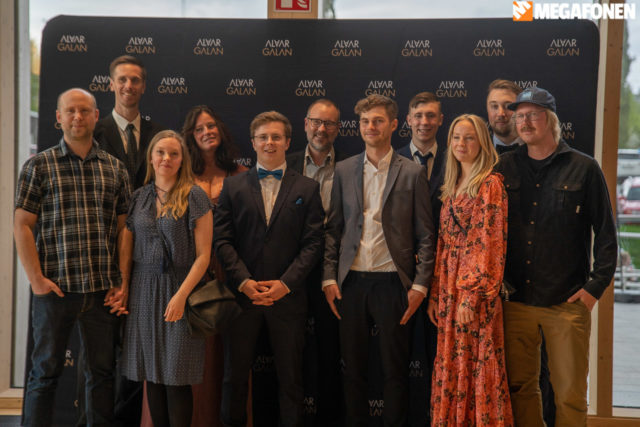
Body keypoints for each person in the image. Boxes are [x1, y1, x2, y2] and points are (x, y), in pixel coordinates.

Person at [495, 87, 617, 426]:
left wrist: (593, 289)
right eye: (520, 116)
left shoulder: (584, 168)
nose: (524, 122)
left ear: (550, 120)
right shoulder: (503, 167)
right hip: (515, 301)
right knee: (520, 390)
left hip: (566, 303)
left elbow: (607, 236)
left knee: (569, 396)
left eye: (533, 115)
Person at [14, 88, 130, 426]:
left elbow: (125, 229)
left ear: (95, 116)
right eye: (70, 111)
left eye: (84, 111)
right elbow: (22, 225)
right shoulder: (38, 166)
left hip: (102, 291)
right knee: (44, 374)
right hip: (55, 290)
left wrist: (122, 281)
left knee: (102, 375)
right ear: (58, 117)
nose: (77, 117)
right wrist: (36, 280)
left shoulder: (115, 169)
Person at [323, 94, 435, 426]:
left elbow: (426, 235)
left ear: (395, 125)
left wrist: (420, 286)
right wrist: (328, 278)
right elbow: (333, 229)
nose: (370, 126)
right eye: (364, 121)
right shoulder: (343, 170)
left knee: (395, 371)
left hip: (393, 284)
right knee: (353, 370)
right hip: (351, 283)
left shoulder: (412, 172)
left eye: (378, 121)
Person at [214, 111, 324, 427]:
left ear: (288, 142)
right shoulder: (233, 186)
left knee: (291, 381)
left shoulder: (307, 188)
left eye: (276, 137)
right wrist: (244, 282)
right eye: (263, 137)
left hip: (288, 300)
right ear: (253, 142)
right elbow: (222, 240)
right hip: (242, 299)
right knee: (234, 379)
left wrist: (285, 284)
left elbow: (313, 244)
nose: (269, 142)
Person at [119, 130, 213, 427]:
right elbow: (127, 245)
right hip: (143, 291)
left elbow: (204, 256)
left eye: (174, 153)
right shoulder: (139, 197)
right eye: (160, 152)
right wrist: (123, 287)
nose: (166, 158)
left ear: (182, 160)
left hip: (180, 289)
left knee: (176, 377)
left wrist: (181, 296)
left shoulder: (195, 196)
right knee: (153, 376)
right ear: (151, 157)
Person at [426, 114, 513, 426]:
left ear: (483, 143)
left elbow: (488, 243)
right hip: (449, 291)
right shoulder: (452, 185)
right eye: (456, 137)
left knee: (475, 363)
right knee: (454, 363)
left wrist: (469, 295)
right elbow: (443, 244)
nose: (461, 144)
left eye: (469, 137)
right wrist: (436, 293)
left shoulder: (490, 184)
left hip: (472, 294)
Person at [487, 79, 556, 426]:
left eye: (508, 106)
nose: (502, 113)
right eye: (494, 106)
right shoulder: (475, 154)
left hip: (534, 289)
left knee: (538, 375)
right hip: (487, 289)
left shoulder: (546, 158)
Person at [181, 105, 247, 426]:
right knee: (195, 356)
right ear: (190, 136)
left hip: (231, 272)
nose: (206, 132)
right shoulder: (180, 175)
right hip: (190, 274)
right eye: (199, 129)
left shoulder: (240, 174)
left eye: (211, 126)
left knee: (231, 359)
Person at [286, 98, 348, 425]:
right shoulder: (286, 164)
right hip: (291, 269)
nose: (322, 129)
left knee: (330, 352)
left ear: (339, 128)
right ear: (305, 124)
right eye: (316, 122)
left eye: (330, 123)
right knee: (288, 353)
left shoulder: (351, 167)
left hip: (333, 270)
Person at [396, 91, 445, 423]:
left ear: (440, 120)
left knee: (439, 356)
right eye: (418, 115)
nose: (424, 122)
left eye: (431, 115)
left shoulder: (457, 159)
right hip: (399, 275)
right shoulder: (392, 159)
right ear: (408, 121)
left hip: (444, 276)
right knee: (395, 358)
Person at [94, 55, 165, 189]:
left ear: (143, 87)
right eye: (122, 80)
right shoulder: (94, 134)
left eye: (135, 80)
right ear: (111, 85)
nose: (128, 86)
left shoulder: (159, 135)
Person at [486, 79, 522, 155]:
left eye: (508, 106)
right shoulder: (476, 152)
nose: (500, 113)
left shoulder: (541, 148)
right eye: (494, 106)